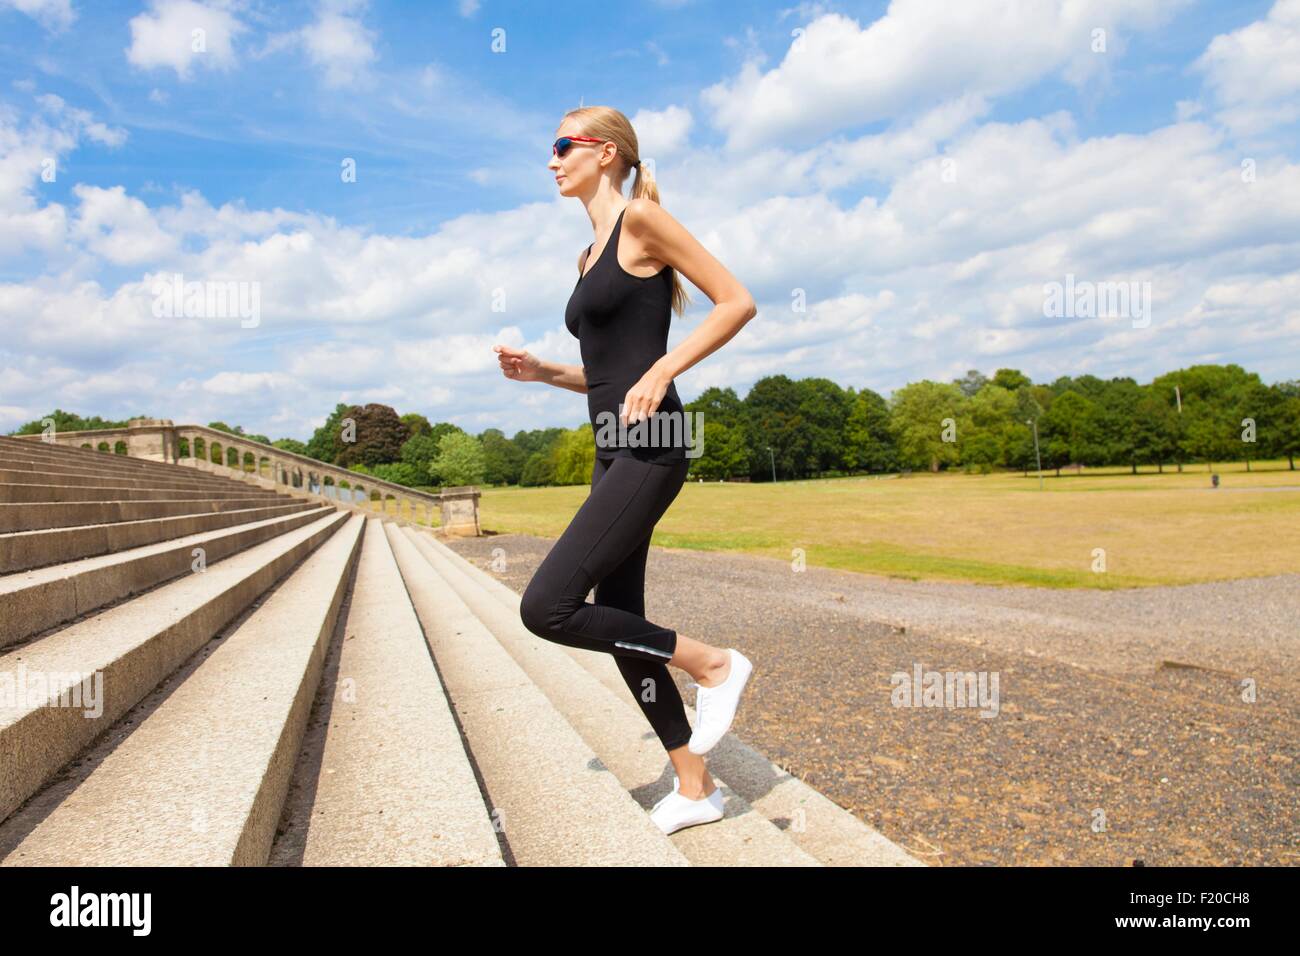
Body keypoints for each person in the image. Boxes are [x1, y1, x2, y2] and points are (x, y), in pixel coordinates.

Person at [492, 105, 758, 835]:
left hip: (656, 441)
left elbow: (737, 301)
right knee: (621, 624)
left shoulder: (643, 220)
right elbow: (605, 370)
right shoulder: (586, 257)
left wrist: (666, 368)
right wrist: (546, 371)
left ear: (604, 152)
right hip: (613, 447)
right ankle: (696, 785)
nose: (551, 160)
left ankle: (713, 664)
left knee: (546, 605)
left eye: (561, 146)